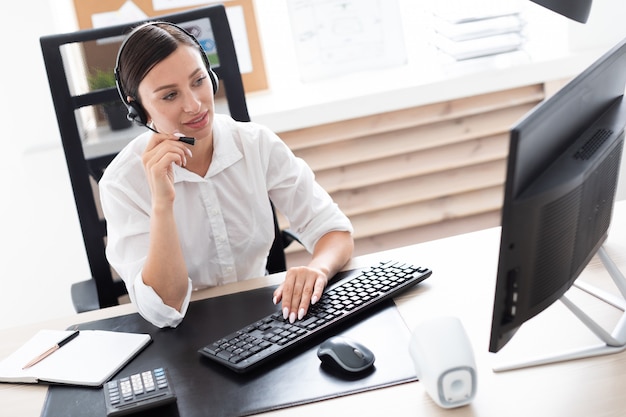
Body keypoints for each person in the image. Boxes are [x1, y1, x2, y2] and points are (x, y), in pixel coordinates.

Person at [99, 21, 354, 328]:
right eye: (169, 96)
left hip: (264, 322)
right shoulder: (121, 183)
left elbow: (333, 230)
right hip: (183, 335)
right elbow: (164, 309)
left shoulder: (255, 143)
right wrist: (162, 205)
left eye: (197, 81)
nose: (194, 105)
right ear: (138, 109)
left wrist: (319, 269)